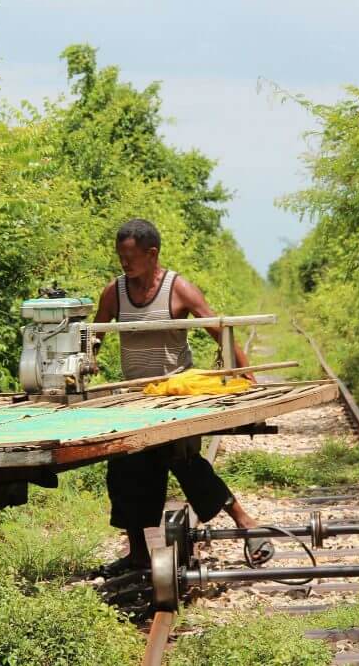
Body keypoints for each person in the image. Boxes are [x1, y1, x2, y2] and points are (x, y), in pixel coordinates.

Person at [92, 218, 274, 575]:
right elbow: (93, 336)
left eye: (130, 257)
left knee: (182, 459)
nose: (124, 264)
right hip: (136, 396)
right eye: (120, 258)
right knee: (126, 463)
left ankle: (245, 521)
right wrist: (87, 360)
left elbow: (219, 332)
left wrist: (248, 379)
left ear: (152, 253)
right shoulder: (114, 292)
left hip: (177, 395)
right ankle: (139, 553)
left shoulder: (179, 289)